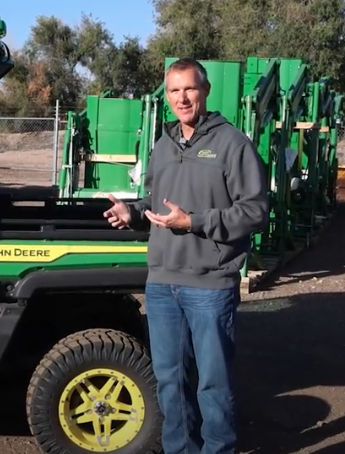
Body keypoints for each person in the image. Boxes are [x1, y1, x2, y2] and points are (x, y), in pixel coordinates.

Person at [103, 58, 269, 454]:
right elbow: (154, 202)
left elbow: (256, 211)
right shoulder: (162, 145)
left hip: (209, 284)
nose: (182, 98)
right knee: (170, 381)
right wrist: (132, 211)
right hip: (162, 283)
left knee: (213, 383)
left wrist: (193, 222)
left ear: (205, 91)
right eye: (174, 91)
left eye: (190, 89)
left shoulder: (232, 144)